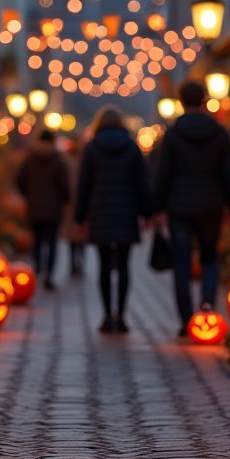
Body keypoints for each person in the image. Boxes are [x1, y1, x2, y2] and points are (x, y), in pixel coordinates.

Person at [152, 81, 230, 337]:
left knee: (181, 262)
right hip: (211, 205)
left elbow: (163, 173)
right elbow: (229, 173)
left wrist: (157, 207)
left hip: (179, 207)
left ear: (180, 101)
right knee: (209, 257)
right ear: (203, 100)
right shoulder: (219, 133)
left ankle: (185, 319)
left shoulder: (173, 134)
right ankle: (208, 302)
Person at [75, 106, 152, 333]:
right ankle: (122, 316)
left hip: (100, 213)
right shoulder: (131, 148)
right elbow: (142, 184)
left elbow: (84, 186)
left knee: (104, 266)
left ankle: (107, 315)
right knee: (125, 267)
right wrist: (147, 214)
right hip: (127, 213)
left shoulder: (91, 149)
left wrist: (80, 218)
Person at [15, 129, 69, 290]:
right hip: (53, 208)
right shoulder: (58, 160)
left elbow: (19, 180)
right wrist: (64, 200)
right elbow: (64, 185)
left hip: (34, 207)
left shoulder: (30, 159)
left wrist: (29, 194)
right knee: (52, 243)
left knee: (37, 241)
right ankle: (49, 274)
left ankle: (38, 268)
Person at [59, 137, 85, 277]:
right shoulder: (84, 162)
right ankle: (80, 261)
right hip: (81, 200)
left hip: (70, 202)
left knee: (72, 237)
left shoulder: (66, 162)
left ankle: (72, 263)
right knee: (81, 234)